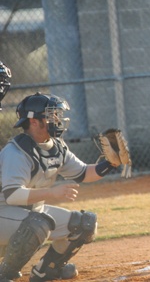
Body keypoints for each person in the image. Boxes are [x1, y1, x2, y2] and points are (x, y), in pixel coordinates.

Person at [0, 92, 121, 281]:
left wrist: (110, 164)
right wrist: (52, 193)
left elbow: (83, 173)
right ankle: (4, 274)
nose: (57, 119)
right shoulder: (17, 152)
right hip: (4, 212)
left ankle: (47, 270)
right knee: (38, 224)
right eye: (51, 115)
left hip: (29, 214)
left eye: (56, 114)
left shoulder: (56, 146)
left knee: (84, 223)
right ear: (33, 121)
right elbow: (13, 195)